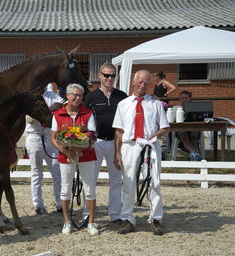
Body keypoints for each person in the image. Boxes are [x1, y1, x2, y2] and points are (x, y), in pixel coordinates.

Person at [113, 70, 170, 235]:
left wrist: (156, 134)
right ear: (134, 82)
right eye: (140, 82)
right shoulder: (123, 104)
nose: (143, 86)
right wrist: (117, 153)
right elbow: (118, 131)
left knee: (155, 182)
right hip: (129, 145)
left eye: (146, 83)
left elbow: (165, 127)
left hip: (150, 145)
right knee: (129, 182)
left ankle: (155, 218)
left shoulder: (155, 104)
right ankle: (128, 219)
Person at [50, 83, 99, 236]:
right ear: (67, 96)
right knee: (65, 189)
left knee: (89, 189)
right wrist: (63, 149)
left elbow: (92, 135)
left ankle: (91, 222)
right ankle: (67, 222)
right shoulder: (57, 114)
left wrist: (82, 146)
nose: (77, 98)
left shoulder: (88, 113)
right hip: (66, 156)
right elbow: (53, 137)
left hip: (86, 156)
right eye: (74, 95)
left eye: (80, 95)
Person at [84, 63, 127, 224]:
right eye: (106, 75)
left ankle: (115, 214)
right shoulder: (91, 97)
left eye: (113, 75)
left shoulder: (122, 96)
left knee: (116, 180)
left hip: (116, 142)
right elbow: (83, 119)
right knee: (90, 179)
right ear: (100, 76)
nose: (110, 79)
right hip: (96, 142)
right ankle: (88, 213)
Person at [25, 83, 63, 214]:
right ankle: (38, 204)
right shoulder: (29, 97)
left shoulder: (53, 96)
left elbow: (60, 106)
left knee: (56, 171)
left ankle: (60, 203)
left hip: (50, 135)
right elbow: (28, 118)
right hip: (34, 135)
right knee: (36, 172)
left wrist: (44, 112)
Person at [174, 90, 203, 161]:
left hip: (192, 130)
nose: (184, 100)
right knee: (183, 134)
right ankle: (196, 154)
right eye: (182, 98)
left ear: (190, 99)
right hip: (180, 131)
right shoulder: (175, 109)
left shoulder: (195, 109)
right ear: (179, 99)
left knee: (194, 133)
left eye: (186, 98)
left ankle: (194, 154)